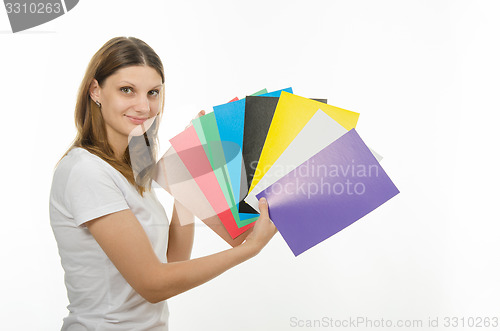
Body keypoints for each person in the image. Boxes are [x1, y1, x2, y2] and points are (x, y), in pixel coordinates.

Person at [49, 36, 277, 331]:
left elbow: (171, 261)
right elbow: (152, 283)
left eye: (153, 92)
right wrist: (249, 250)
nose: (143, 106)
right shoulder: (86, 171)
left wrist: (187, 182)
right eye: (127, 90)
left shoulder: (134, 168)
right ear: (96, 91)